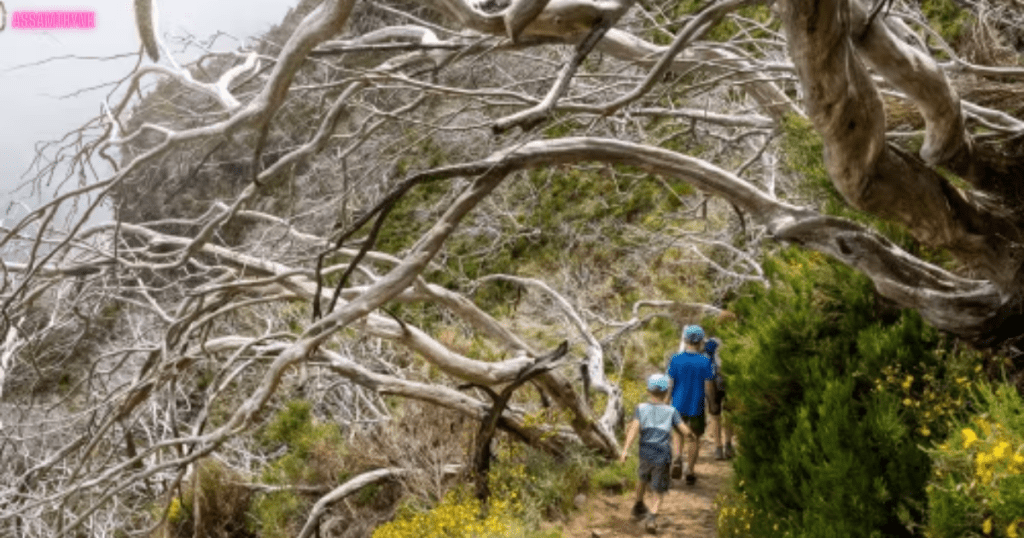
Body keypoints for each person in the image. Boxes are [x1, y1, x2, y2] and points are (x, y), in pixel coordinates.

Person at [619, 373, 692, 533]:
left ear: (648, 391)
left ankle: (638, 504)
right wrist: (690, 435)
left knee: (642, 478)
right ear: (667, 393)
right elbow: (683, 430)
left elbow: (634, 429)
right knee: (659, 489)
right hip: (662, 454)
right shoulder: (671, 411)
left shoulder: (641, 408)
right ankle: (652, 518)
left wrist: (625, 450)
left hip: (645, 451)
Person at [666, 324, 716, 485]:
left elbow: (671, 383)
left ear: (685, 340)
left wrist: (665, 402)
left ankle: (678, 457)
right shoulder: (705, 361)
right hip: (697, 406)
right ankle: (690, 470)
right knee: (694, 437)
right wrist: (712, 403)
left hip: (677, 405)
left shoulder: (675, 359)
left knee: (678, 433)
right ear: (701, 341)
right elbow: (709, 386)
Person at [704, 337, 735, 460]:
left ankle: (718, 448)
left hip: (712, 381)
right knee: (728, 414)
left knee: (715, 416)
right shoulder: (734, 338)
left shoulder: (711, 341)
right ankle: (727, 445)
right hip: (729, 379)